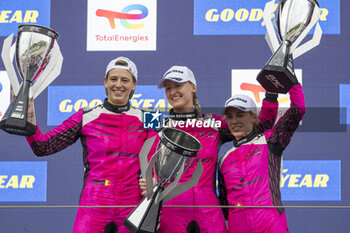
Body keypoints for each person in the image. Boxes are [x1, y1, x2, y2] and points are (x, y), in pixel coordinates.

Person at [140, 65, 279, 233]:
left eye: (178, 86)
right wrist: (147, 182)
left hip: (208, 210)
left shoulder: (213, 123)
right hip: (172, 209)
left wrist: (271, 95)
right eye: (168, 88)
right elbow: (145, 166)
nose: (172, 92)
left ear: (193, 87)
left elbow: (260, 125)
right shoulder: (159, 127)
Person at [26, 57, 156, 233]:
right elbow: (43, 147)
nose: (118, 84)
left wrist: (154, 181)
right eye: (113, 79)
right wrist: (29, 116)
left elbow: (161, 160)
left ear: (134, 85)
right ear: (105, 82)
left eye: (125, 80)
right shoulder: (86, 116)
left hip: (131, 204)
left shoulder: (148, 119)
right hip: (95, 202)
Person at [218, 83, 305, 233]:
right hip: (237, 227)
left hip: (270, 223)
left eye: (240, 115)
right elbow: (225, 205)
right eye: (230, 117)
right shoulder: (224, 159)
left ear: (253, 117)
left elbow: (298, 110)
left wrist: (291, 82)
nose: (234, 121)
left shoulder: (270, 141)